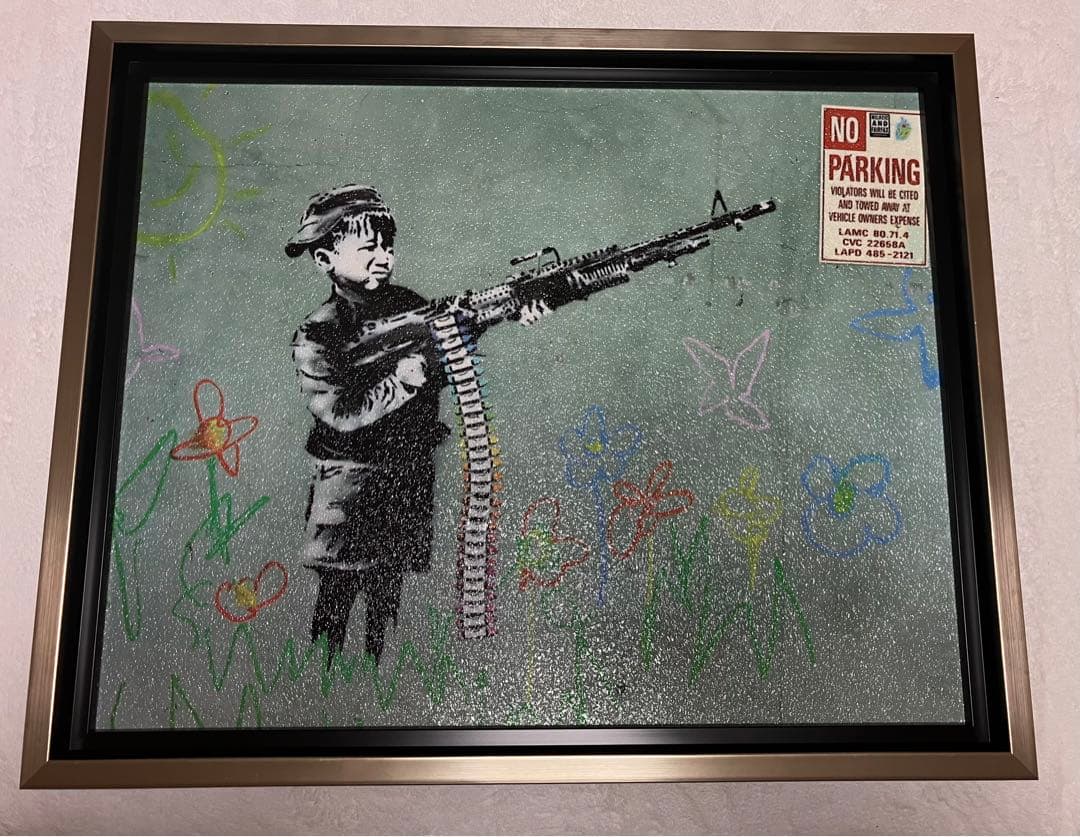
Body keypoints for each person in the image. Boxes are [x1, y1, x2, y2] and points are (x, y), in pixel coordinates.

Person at [287, 184, 548, 664]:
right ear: (325, 259)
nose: (382, 257)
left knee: (387, 604)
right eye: (367, 247)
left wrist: (509, 312)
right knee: (335, 606)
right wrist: (406, 378)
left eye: (387, 246)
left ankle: (375, 678)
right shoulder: (318, 333)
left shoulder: (412, 305)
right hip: (348, 487)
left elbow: (444, 362)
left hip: (407, 480)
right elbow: (342, 414)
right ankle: (325, 683)